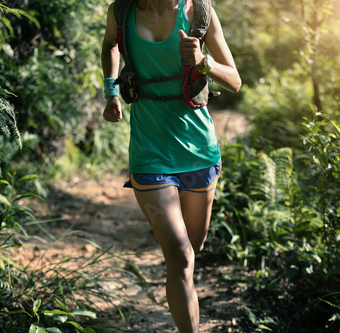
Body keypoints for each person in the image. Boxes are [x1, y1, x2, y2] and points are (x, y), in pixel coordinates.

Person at [100, 0, 241, 332]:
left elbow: (234, 80)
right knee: (180, 256)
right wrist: (111, 93)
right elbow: (110, 44)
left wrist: (203, 62)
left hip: (199, 152)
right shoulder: (122, 11)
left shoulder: (198, 12)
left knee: (194, 247)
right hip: (149, 152)